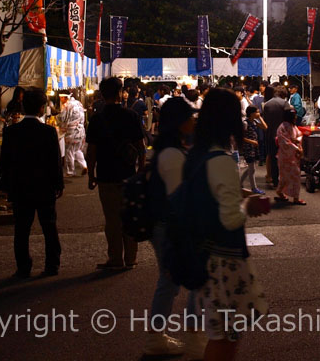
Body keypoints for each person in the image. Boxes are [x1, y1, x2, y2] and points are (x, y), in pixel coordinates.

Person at [183, 88, 269, 359]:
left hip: (202, 253)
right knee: (226, 339)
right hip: (224, 262)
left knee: (220, 334)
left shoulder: (197, 154)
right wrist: (248, 204)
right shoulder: (220, 159)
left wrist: (237, 193)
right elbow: (230, 218)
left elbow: (206, 195)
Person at [145, 97, 204, 357]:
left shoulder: (172, 149)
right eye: (190, 117)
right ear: (179, 122)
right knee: (191, 280)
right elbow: (179, 197)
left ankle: (159, 339)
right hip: (172, 226)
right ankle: (193, 339)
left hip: (168, 224)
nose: (194, 120)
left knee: (171, 281)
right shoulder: (171, 154)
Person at [0, 88, 63, 278]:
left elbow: (5, 162)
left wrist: (6, 186)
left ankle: (23, 267)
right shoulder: (48, 132)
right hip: (44, 187)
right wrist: (58, 184)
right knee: (49, 227)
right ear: (42, 108)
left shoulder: (11, 132)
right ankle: (52, 265)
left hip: (20, 186)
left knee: (21, 229)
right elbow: (55, 161)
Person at [86, 77, 146, 270]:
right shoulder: (131, 116)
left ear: (102, 94)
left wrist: (91, 175)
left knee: (112, 220)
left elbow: (92, 150)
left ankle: (115, 259)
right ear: (121, 93)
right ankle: (131, 258)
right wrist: (141, 171)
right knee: (129, 216)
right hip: (128, 174)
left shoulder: (97, 118)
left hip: (106, 174)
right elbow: (141, 147)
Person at [275, 108, 305, 205]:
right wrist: (297, 148)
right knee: (294, 175)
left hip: (291, 155)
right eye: (294, 115)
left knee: (285, 176)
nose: (296, 117)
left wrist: (296, 142)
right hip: (286, 156)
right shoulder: (283, 127)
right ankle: (295, 198)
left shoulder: (292, 126)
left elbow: (299, 135)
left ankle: (280, 192)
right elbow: (284, 142)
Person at [262, 87, 290, 189]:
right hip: (282, 135)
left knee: (273, 157)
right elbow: (289, 121)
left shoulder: (267, 104)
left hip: (269, 134)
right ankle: (283, 180)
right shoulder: (285, 104)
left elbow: (265, 120)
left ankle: (275, 180)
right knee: (284, 158)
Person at [58, 94, 87, 177]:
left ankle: (70, 171)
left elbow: (62, 118)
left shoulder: (66, 105)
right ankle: (84, 165)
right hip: (80, 131)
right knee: (77, 150)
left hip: (71, 131)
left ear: (65, 97)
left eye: (61, 98)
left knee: (69, 151)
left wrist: (58, 118)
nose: (61, 100)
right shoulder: (79, 103)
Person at [241, 106, 266, 195]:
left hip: (253, 147)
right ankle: (254, 188)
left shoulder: (254, 122)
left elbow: (265, 127)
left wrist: (259, 118)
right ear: (251, 113)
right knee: (252, 169)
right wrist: (251, 141)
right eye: (257, 112)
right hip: (248, 148)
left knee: (250, 168)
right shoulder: (245, 123)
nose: (258, 113)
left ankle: (240, 183)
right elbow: (241, 137)